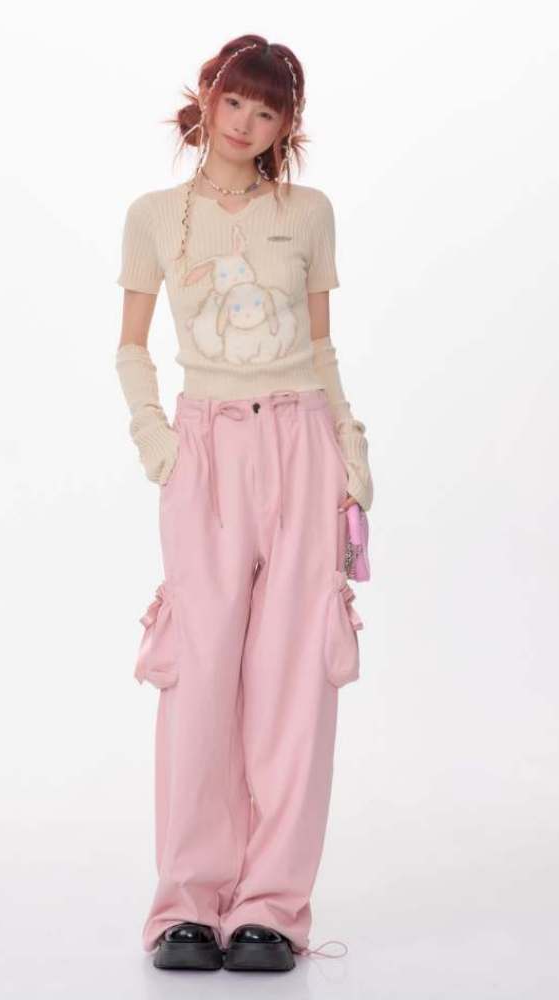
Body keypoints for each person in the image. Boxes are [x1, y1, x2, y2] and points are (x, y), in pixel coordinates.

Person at [115, 34, 373, 973]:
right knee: (200, 671)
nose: (245, 123)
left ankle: (271, 907)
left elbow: (322, 348)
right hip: (206, 448)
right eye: (235, 102)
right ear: (208, 97)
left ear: (284, 126)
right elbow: (131, 346)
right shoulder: (155, 216)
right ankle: (187, 902)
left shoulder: (309, 213)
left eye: (267, 112)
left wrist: (350, 451)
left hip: (300, 440)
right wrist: (159, 443)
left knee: (294, 681)